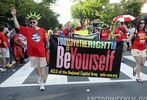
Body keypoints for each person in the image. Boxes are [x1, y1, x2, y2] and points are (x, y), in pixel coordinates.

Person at [11, 7, 49, 90]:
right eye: (31, 22)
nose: (32, 23)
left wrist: (48, 49)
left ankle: (42, 84)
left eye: (34, 22)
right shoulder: (28, 30)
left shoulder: (42, 30)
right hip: (32, 53)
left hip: (41, 53)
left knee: (42, 68)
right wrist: (14, 16)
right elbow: (17, 26)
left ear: (37, 22)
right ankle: (39, 77)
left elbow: (45, 41)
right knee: (36, 68)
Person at [124, 19, 147, 83]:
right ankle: (138, 77)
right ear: (138, 23)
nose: (142, 24)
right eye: (141, 23)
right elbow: (129, 39)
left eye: (143, 23)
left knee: (142, 63)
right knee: (138, 62)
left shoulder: (145, 30)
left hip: (143, 49)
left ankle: (135, 69)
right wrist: (125, 40)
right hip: (136, 48)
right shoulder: (135, 30)